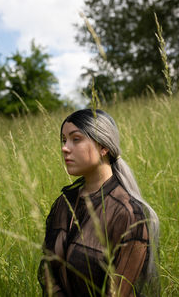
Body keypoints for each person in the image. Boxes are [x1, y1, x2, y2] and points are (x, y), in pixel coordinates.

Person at [38, 109, 160, 297]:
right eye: (64, 140)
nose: (64, 148)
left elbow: (118, 293)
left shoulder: (128, 215)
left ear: (103, 147)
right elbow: (48, 271)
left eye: (75, 139)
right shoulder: (65, 203)